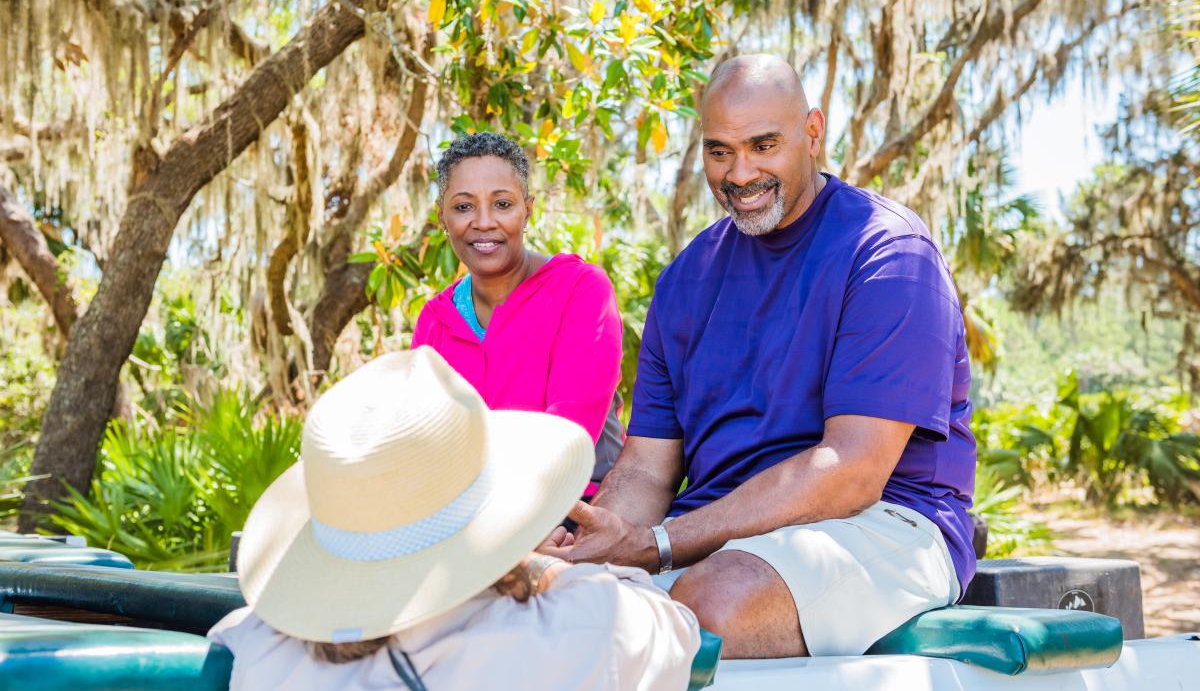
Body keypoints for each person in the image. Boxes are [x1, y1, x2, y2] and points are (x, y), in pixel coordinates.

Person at [544, 54, 977, 660]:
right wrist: (593, 540)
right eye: (719, 151)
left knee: (715, 604)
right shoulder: (685, 280)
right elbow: (647, 469)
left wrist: (660, 545)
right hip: (709, 536)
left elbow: (850, 472)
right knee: (539, 601)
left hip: (887, 523)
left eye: (763, 145)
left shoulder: (888, 253)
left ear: (813, 132)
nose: (740, 172)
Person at [209, 348, 701, 690]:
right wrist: (534, 565)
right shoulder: (575, 632)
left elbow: (246, 625)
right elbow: (673, 625)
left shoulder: (259, 647)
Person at [412, 132, 624, 494]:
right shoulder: (435, 322)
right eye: (463, 207)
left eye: (502, 204)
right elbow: (429, 444)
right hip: (472, 515)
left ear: (528, 209)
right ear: (442, 216)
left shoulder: (580, 289)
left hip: (582, 507)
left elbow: (569, 435)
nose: (483, 222)